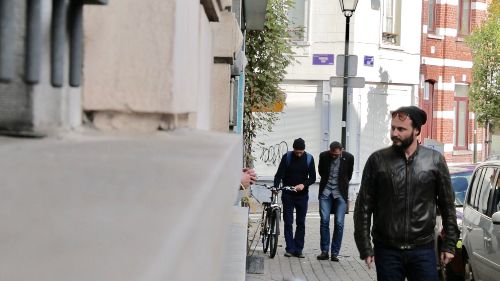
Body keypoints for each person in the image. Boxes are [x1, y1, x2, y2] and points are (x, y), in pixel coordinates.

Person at [353, 106, 459, 281]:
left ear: (416, 130)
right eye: (393, 128)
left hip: (423, 249)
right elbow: (363, 206)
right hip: (387, 249)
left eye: (401, 129)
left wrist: (449, 244)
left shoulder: (434, 160)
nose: (395, 133)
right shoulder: (378, 160)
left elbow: (447, 205)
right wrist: (365, 246)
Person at [274, 138, 316, 258]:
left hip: (302, 195)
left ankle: (299, 249)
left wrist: (303, 185)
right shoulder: (287, 157)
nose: (299, 154)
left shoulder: (309, 159)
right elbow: (279, 175)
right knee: (288, 221)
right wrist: (276, 187)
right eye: (297, 152)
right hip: (288, 194)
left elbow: (312, 177)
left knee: (301, 222)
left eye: (301, 152)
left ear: (304, 150)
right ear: (293, 149)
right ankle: (290, 248)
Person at [316, 141, 354, 262]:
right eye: (332, 154)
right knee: (325, 220)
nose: (333, 156)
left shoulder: (349, 158)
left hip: (340, 194)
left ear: (341, 151)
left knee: (339, 223)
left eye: (336, 154)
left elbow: (349, 175)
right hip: (326, 193)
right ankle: (324, 251)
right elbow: (321, 172)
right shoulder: (323, 156)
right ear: (329, 150)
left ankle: (335, 253)